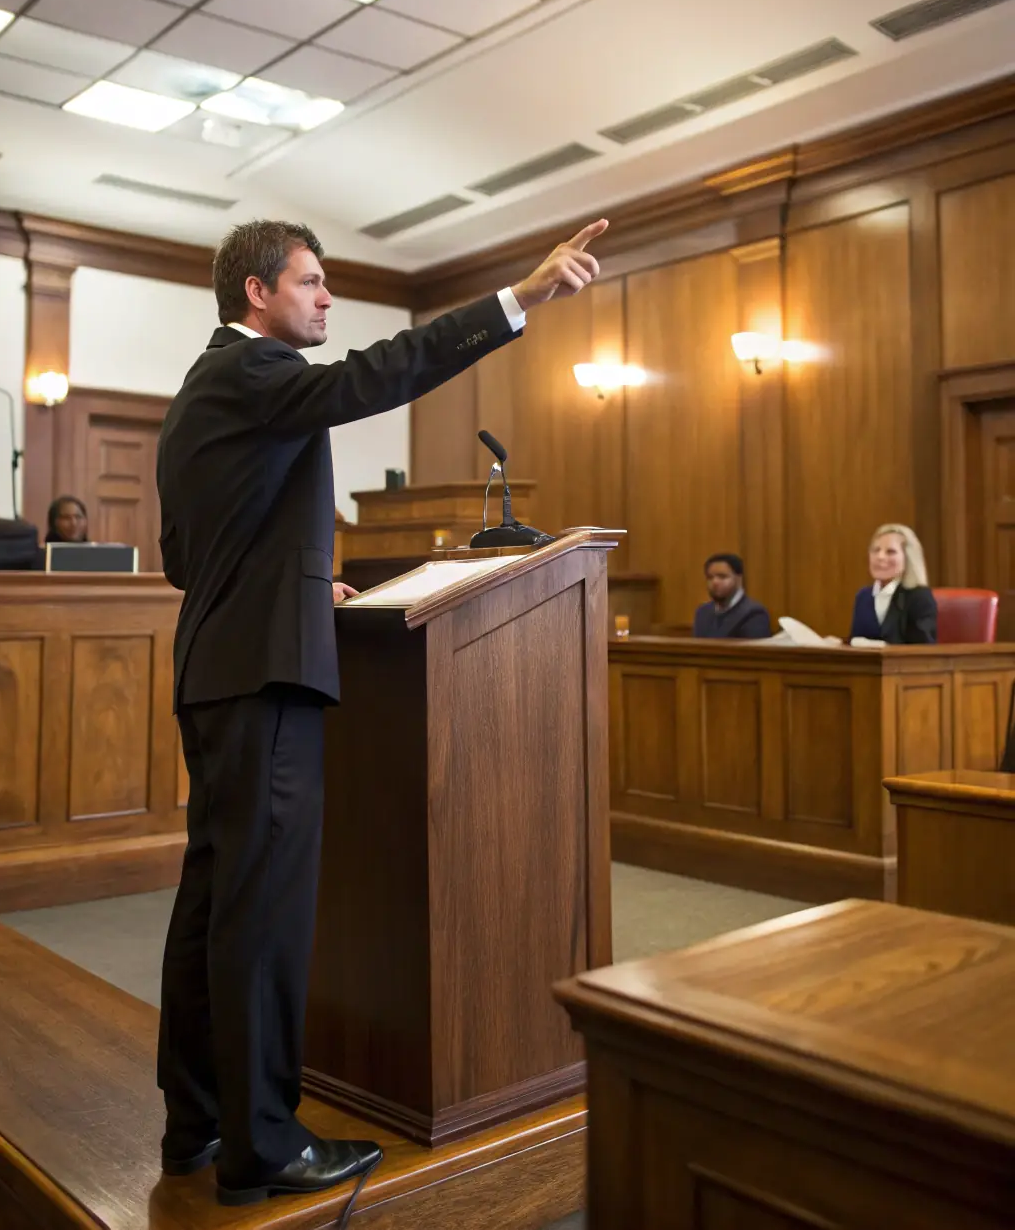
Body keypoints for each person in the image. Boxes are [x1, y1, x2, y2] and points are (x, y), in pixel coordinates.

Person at [155, 216, 608, 1211]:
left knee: (214, 906)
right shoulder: (252, 373)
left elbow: (191, 556)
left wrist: (292, 581)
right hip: (265, 679)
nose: (325, 300)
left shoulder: (206, 390)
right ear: (257, 297)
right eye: (311, 284)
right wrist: (519, 299)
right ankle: (263, 1146)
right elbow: (377, 374)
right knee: (262, 916)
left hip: (223, 669)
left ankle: (195, 1122)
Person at [850, 523, 937, 645]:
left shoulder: (919, 597)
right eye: (876, 550)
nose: (880, 557)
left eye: (890, 552)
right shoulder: (863, 596)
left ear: (908, 558)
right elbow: (857, 642)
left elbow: (922, 650)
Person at [693, 553, 771, 639]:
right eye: (710, 577)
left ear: (739, 578)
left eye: (722, 577)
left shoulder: (754, 614)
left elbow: (754, 651)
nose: (715, 582)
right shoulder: (703, 612)